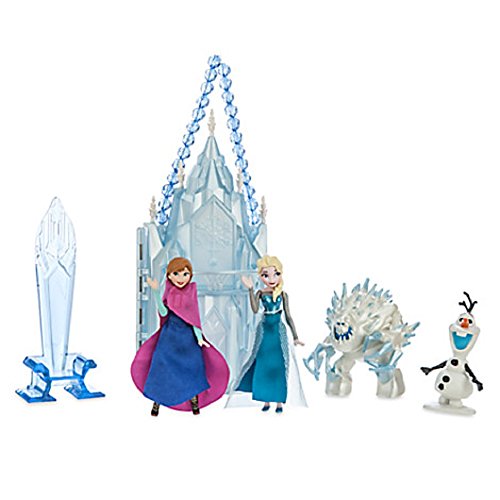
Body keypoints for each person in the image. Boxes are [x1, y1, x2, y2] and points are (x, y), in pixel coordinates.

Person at [131, 257, 229, 415]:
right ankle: (157, 402)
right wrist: (156, 292)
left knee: (192, 370)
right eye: (176, 274)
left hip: (188, 340)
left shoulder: (191, 292)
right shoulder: (169, 291)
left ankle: (194, 401)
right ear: (169, 275)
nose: (181, 278)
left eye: (185, 274)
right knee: (162, 369)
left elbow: (194, 318)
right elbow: (163, 312)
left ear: (190, 275)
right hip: (169, 338)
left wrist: (199, 338)